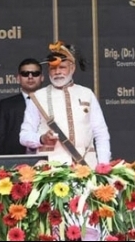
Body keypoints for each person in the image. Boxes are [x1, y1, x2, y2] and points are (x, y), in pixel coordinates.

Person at [20, 40, 111, 168]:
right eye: (53, 68)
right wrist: (41, 139)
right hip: (51, 169)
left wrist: (103, 164)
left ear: (72, 68)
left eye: (62, 67)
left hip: (86, 166)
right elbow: (24, 136)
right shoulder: (37, 97)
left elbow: (101, 133)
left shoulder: (86, 93)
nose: (57, 72)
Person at [0, 58, 43, 155]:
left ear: (42, 77)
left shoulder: (51, 101)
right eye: (25, 73)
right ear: (18, 78)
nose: (30, 77)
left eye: (35, 73)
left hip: (48, 159)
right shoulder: (6, 105)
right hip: (16, 162)